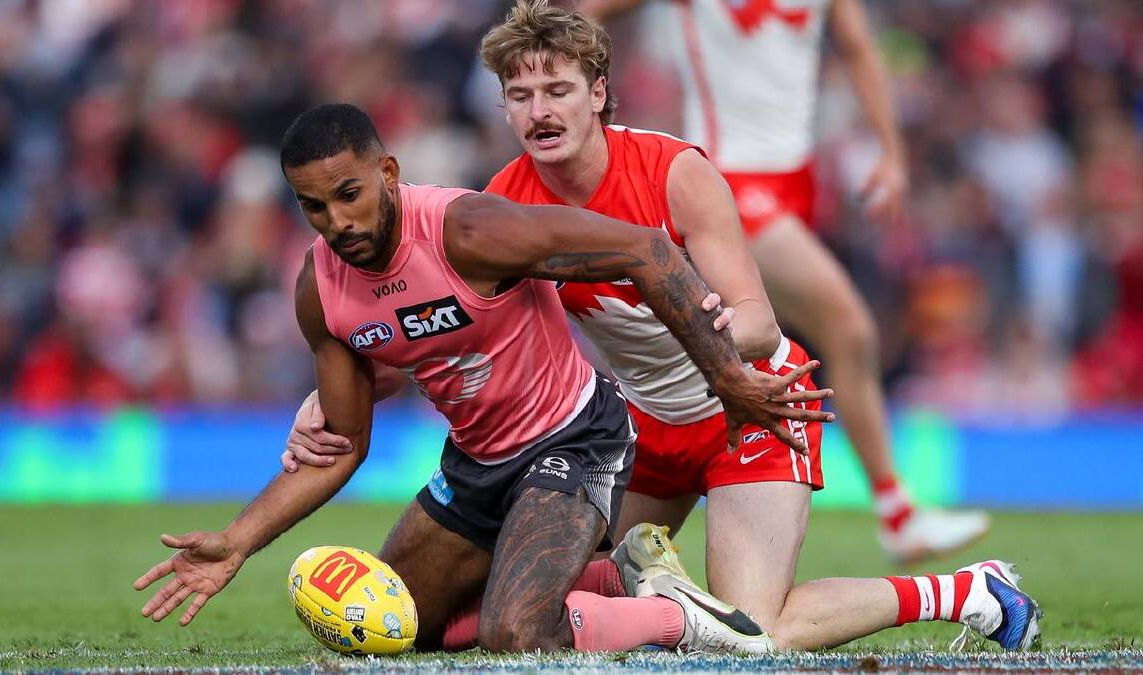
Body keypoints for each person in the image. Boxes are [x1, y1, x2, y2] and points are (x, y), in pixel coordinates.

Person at [280, 0, 1040, 653]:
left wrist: (706, 342)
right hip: (642, 428)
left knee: (759, 630)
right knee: (514, 606)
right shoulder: (502, 203)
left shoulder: (674, 172)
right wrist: (339, 395)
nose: (539, 110)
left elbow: (754, 318)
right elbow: (447, 334)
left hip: (752, 404)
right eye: (520, 94)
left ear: (598, 92)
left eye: (557, 89)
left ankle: (969, 591)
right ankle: (657, 580)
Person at [133, 102, 833, 654]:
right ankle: (623, 574)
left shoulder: (468, 231)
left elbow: (644, 249)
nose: (337, 222)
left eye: (349, 194)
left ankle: (675, 617)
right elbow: (344, 444)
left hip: (576, 438)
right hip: (476, 463)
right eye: (313, 207)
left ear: (388, 171)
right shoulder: (319, 289)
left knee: (516, 632)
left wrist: (730, 377)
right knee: (399, 624)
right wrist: (236, 541)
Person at [576, 0, 990, 563]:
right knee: (847, 326)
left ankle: (681, 462)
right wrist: (592, 115)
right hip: (727, 177)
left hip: (795, 179)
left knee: (773, 338)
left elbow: (859, 48)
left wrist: (891, 152)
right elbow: (586, 14)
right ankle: (897, 513)